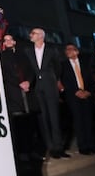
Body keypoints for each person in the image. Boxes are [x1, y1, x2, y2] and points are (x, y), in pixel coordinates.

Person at [25, 27, 69, 159]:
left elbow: (58, 67)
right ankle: (50, 147)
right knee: (43, 118)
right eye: (31, 33)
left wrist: (54, 79)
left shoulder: (51, 50)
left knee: (54, 116)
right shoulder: (28, 51)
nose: (30, 35)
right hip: (37, 87)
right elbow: (29, 69)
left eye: (33, 33)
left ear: (41, 36)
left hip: (50, 85)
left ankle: (58, 147)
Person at [0, 34, 40, 163]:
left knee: (31, 124)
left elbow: (31, 70)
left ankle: (33, 150)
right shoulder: (1, 56)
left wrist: (28, 81)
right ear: (4, 44)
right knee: (19, 124)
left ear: (14, 41)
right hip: (14, 93)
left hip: (28, 93)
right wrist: (19, 83)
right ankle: (22, 153)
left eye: (10, 39)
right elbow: (4, 74)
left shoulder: (23, 55)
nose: (8, 41)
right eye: (5, 40)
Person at [59, 43, 95, 156]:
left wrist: (88, 92)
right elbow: (64, 81)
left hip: (86, 95)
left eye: (70, 49)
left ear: (76, 51)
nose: (67, 51)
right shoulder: (63, 65)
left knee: (88, 120)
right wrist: (76, 91)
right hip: (74, 97)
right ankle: (83, 146)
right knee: (78, 121)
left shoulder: (85, 64)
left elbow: (92, 81)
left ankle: (92, 145)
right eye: (66, 49)